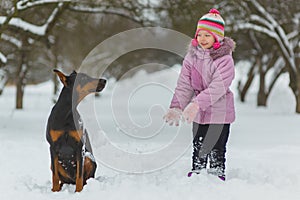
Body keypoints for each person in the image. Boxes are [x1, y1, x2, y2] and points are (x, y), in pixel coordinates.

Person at [163, 8, 236, 181]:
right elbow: (184, 85)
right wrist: (177, 107)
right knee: (199, 144)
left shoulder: (225, 60)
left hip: (220, 112)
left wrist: (196, 104)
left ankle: (217, 172)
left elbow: (218, 87)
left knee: (217, 146)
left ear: (217, 37)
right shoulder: (191, 57)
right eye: (200, 35)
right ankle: (197, 172)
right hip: (199, 115)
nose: (202, 39)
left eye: (207, 35)